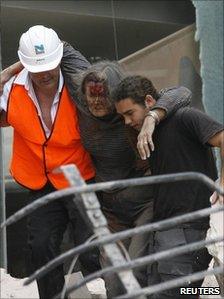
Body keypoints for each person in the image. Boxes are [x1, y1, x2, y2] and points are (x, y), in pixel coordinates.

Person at [1, 56, 192, 296]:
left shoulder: (130, 105)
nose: (97, 101)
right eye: (93, 95)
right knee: (112, 280)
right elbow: (59, 47)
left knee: (133, 272)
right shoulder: (82, 100)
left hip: (143, 203)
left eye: (104, 95)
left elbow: (182, 92)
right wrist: (8, 73)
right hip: (109, 208)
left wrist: (152, 118)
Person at [0, 25, 96, 299]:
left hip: (79, 177)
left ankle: (100, 291)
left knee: (91, 247)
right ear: (24, 65)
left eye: (50, 66)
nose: (45, 74)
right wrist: (6, 76)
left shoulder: (80, 84)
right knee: (40, 247)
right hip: (39, 180)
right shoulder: (12, 89)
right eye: (36, 68)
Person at [113, 75, 224, 299]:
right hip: (164, 231)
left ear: (149, 101)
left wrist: (223, 182)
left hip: (188, 229)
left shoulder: (184, 117)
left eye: (129, 113)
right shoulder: (147, 135)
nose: (127, 121)